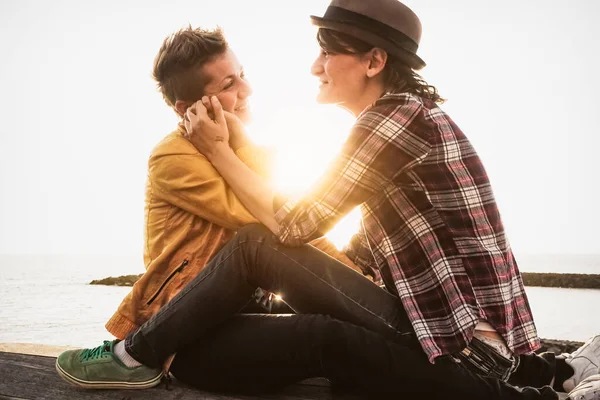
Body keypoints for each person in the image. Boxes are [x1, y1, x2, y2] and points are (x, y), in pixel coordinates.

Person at [55, 1, 600, 399]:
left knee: (257, 249)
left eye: (328, 53)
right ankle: (551, 375)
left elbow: (289, 225)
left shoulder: (395, 121)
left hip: (463, 354)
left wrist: (223, 148)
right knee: (275, 271)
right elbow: (339, 246)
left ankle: (133, 356)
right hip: (455, 338)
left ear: (372, 61)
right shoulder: (408, 117)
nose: (315, 67)